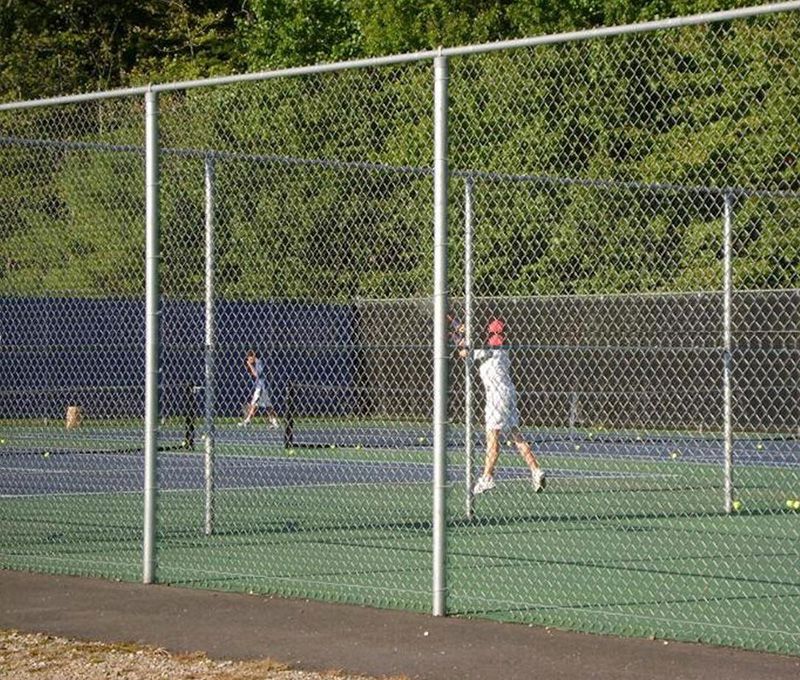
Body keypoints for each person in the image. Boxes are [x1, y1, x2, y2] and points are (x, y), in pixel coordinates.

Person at [459, 317, 546, 494]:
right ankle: (536, 470)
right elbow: (469, 350)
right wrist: (463, 335)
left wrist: (459, 337)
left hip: (496, 396)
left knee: (492, 437)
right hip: (509, 393)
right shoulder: (503, 349)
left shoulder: (489, 350)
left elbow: (464, 353)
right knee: (516, 435)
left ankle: (488, 476)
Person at [239, 349, 279, 428]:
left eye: (250, 358)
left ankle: (247, 420)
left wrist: (250, 365)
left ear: (253, 357)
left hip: (262, 387)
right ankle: (274, 422)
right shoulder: (256, 363)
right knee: (267, 405)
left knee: (255, 404)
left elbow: (257, 375)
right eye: (248, 359)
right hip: (259, 386)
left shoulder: (259, 362)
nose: (249, 360)